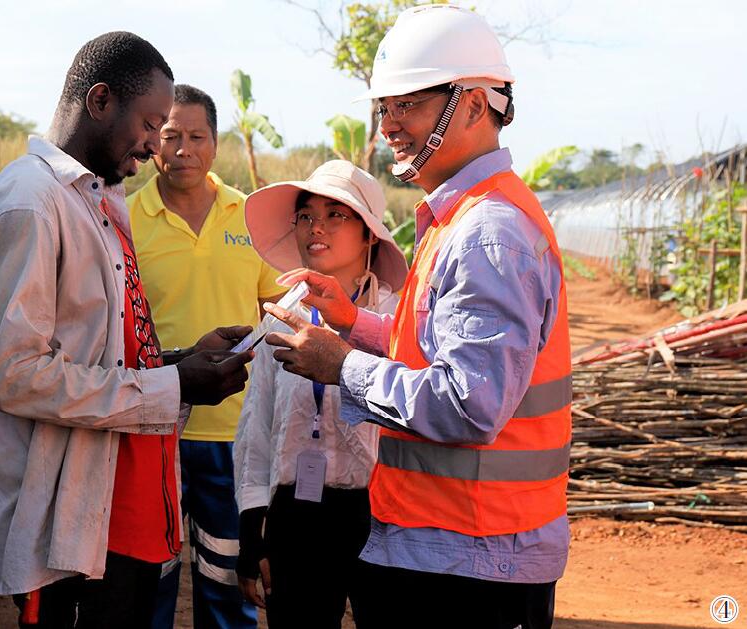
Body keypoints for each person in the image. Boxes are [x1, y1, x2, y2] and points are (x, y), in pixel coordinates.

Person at [260, 7, 571, 629]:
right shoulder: (464, 217)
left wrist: (343, 365)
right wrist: (355, 322)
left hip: (468, 564)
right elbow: (434, 348)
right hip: (451, 550)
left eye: (409, 104)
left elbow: (466, 404)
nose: (389, 124)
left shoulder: (488, 234)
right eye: (384, 107)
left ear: (476, 105)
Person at [0, 32, 254, 629]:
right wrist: (173, 388)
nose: (155, 147)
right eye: (151, 125)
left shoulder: (97, 200)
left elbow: (98, 354)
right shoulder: (30, 204)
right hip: (69, 528)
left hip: (123, 509)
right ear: (99, 102)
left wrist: (178, 362)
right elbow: (13, 376)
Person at [127, 84, 281, 629]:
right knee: (149, 585)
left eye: (196, 136)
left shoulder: (251, 217)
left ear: (216, 144)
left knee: (228, 586)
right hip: (151, 433)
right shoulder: (123, 219)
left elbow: (277, 313)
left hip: (234, 440)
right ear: (152, 141)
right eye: (169, 136)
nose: (182, 149)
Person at [232, 161, 408, 628]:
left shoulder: (399, 321)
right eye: (306, 215)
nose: (316, 228)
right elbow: (257, 428)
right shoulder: (282, 318)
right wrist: (254, 529)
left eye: (336, 215)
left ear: (370, 234)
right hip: (298, 514)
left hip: (384, 515)